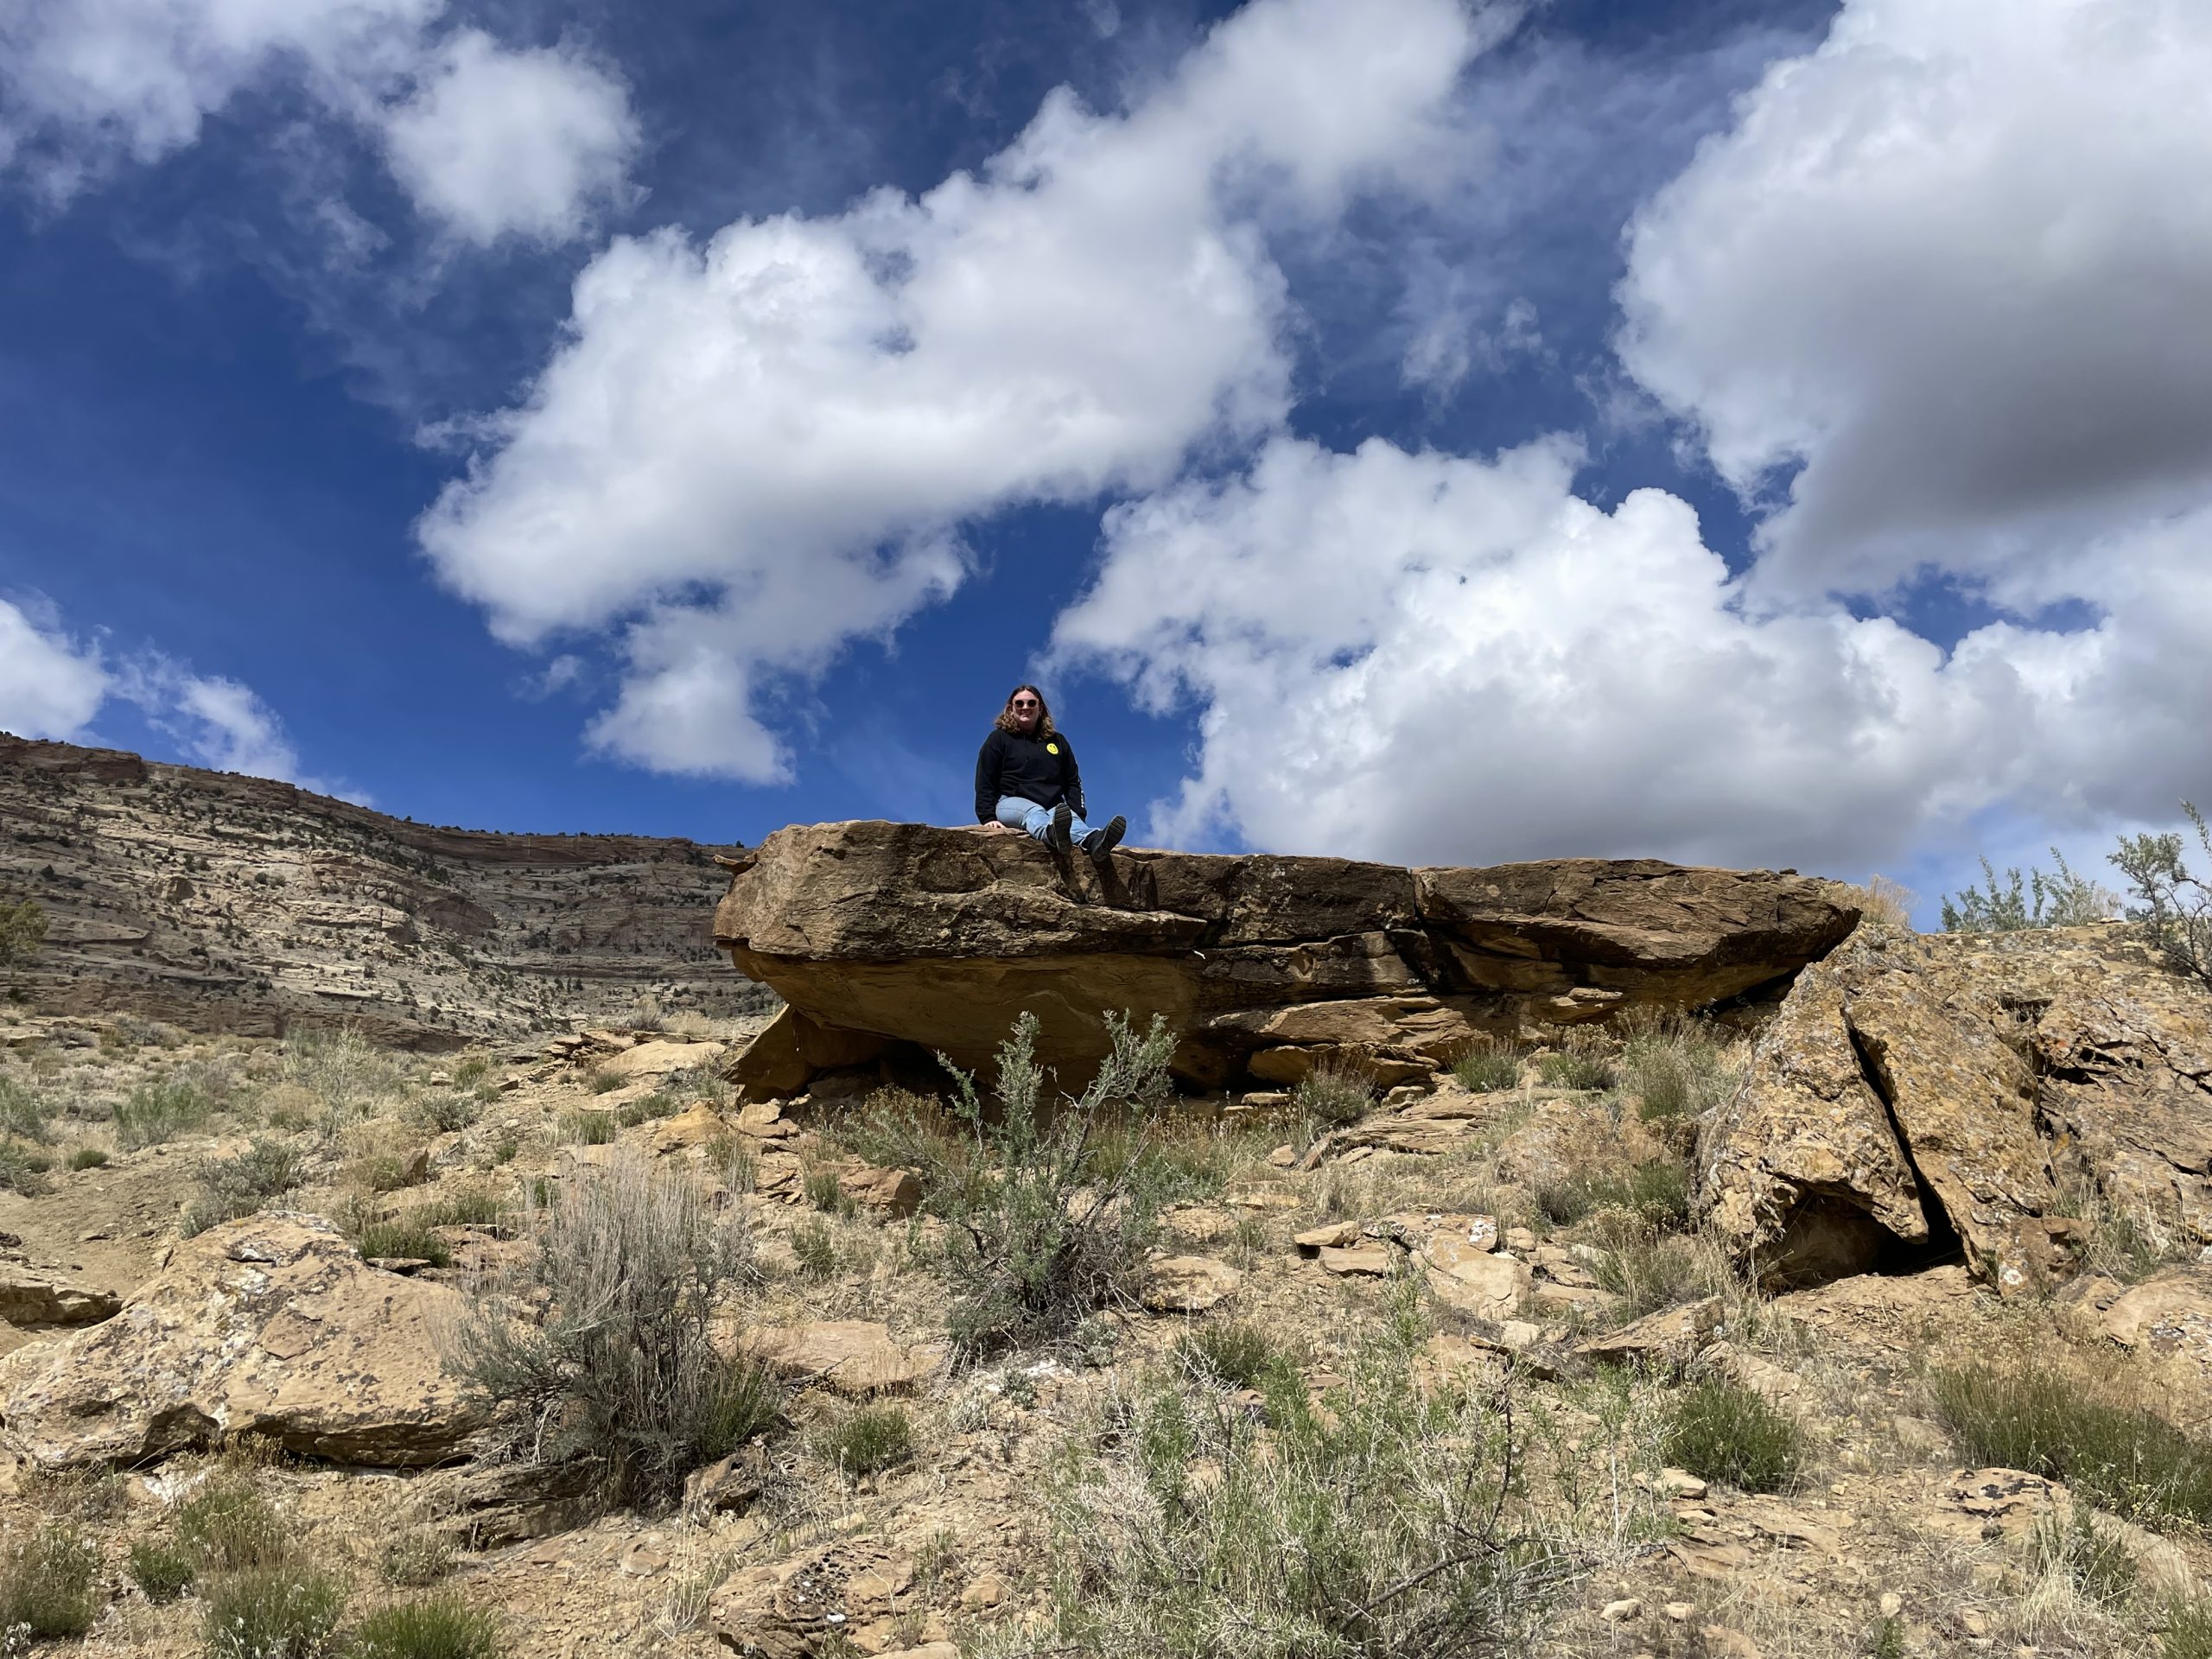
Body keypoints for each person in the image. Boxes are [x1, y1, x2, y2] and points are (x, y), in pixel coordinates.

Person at [974, 683, 1126, 859]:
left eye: (1031, 703)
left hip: (1053, 806)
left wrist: (1077, 815)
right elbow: (985, 778)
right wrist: (987, 817)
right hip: (1010, 803)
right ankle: (1052, 834)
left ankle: (1095, 841)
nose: (1025, 707)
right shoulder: (998, 739)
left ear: (1040, 709)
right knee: (1034, 812)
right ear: (1010, 709)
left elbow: (1073, 782)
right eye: (1019, 703)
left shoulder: (1058, 741)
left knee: (1067, 818)